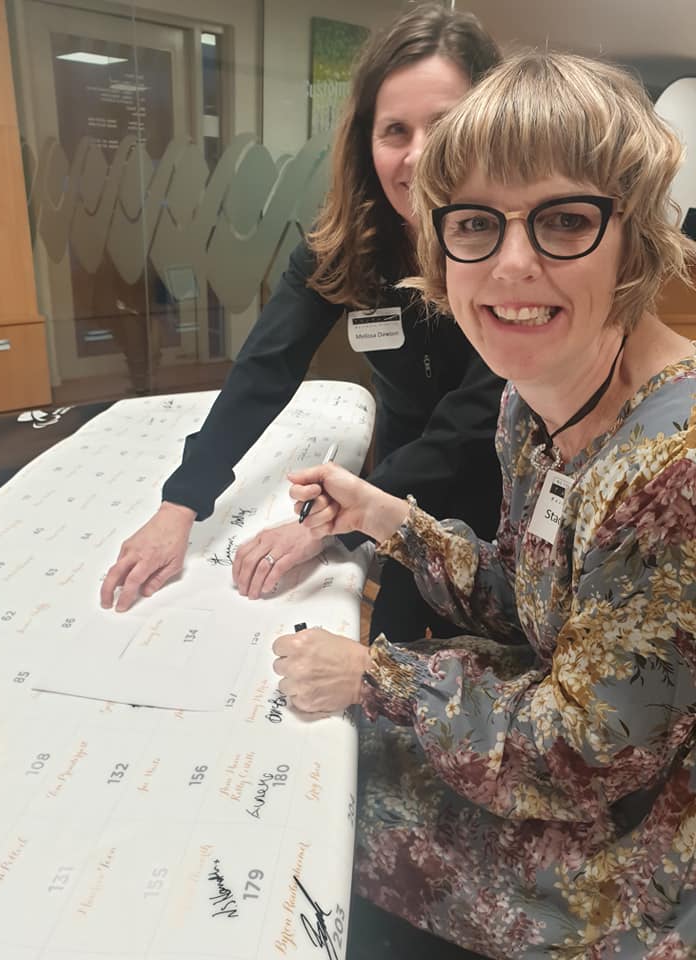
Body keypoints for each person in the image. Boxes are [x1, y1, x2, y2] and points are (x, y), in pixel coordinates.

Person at [273, 52, 696, 958]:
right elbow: (535, 595)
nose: (511, 266)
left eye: (566, 220)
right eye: (474, 224)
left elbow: (586, 756)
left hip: (637, 859)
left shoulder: (675, 467)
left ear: (637, 238)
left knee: (315, 814)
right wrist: (388, 518)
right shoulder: (532, 400)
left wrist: (376, 679)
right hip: (581, 768)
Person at [99, 3, 505, 645]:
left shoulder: (513, 253)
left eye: (447, 125)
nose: (420, 156)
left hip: (496, 497)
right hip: (398, 494)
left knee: (488, 678)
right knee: (388, 655)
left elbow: (481, 412)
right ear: (367, 143)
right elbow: (267, 366)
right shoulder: (346, 246)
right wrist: (182, 500)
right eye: (395, 131)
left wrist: (331, 522)